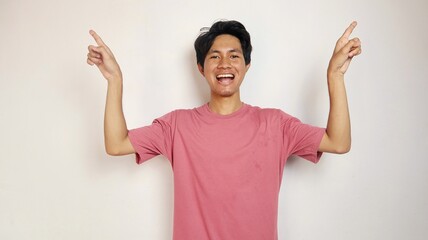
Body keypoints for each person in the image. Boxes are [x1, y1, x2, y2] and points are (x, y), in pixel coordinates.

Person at [86, 20, 361, 240]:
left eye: (234, 56)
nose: (224, 64)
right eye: (214, 56)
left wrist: (334, 76)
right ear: (201, 68)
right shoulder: (176, 126)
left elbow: (338, 142)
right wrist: (114, 79)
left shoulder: (275, 124)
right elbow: (116, 144)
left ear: (247, 65)